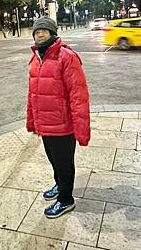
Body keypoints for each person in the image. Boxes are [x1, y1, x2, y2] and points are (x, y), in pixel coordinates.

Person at [26, 16, 90, 219]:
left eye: (44, 31)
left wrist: (81, 129)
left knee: (64, 163)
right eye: (37, 32)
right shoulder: (37, 58)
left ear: (53, 33)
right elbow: (32, 94)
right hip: (45, 124)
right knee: (53, 159)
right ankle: (60, 184)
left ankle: (66, 199)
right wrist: (32, 120)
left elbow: (78, 95)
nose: (40, 34)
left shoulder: (66, 57)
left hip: (63, 125)